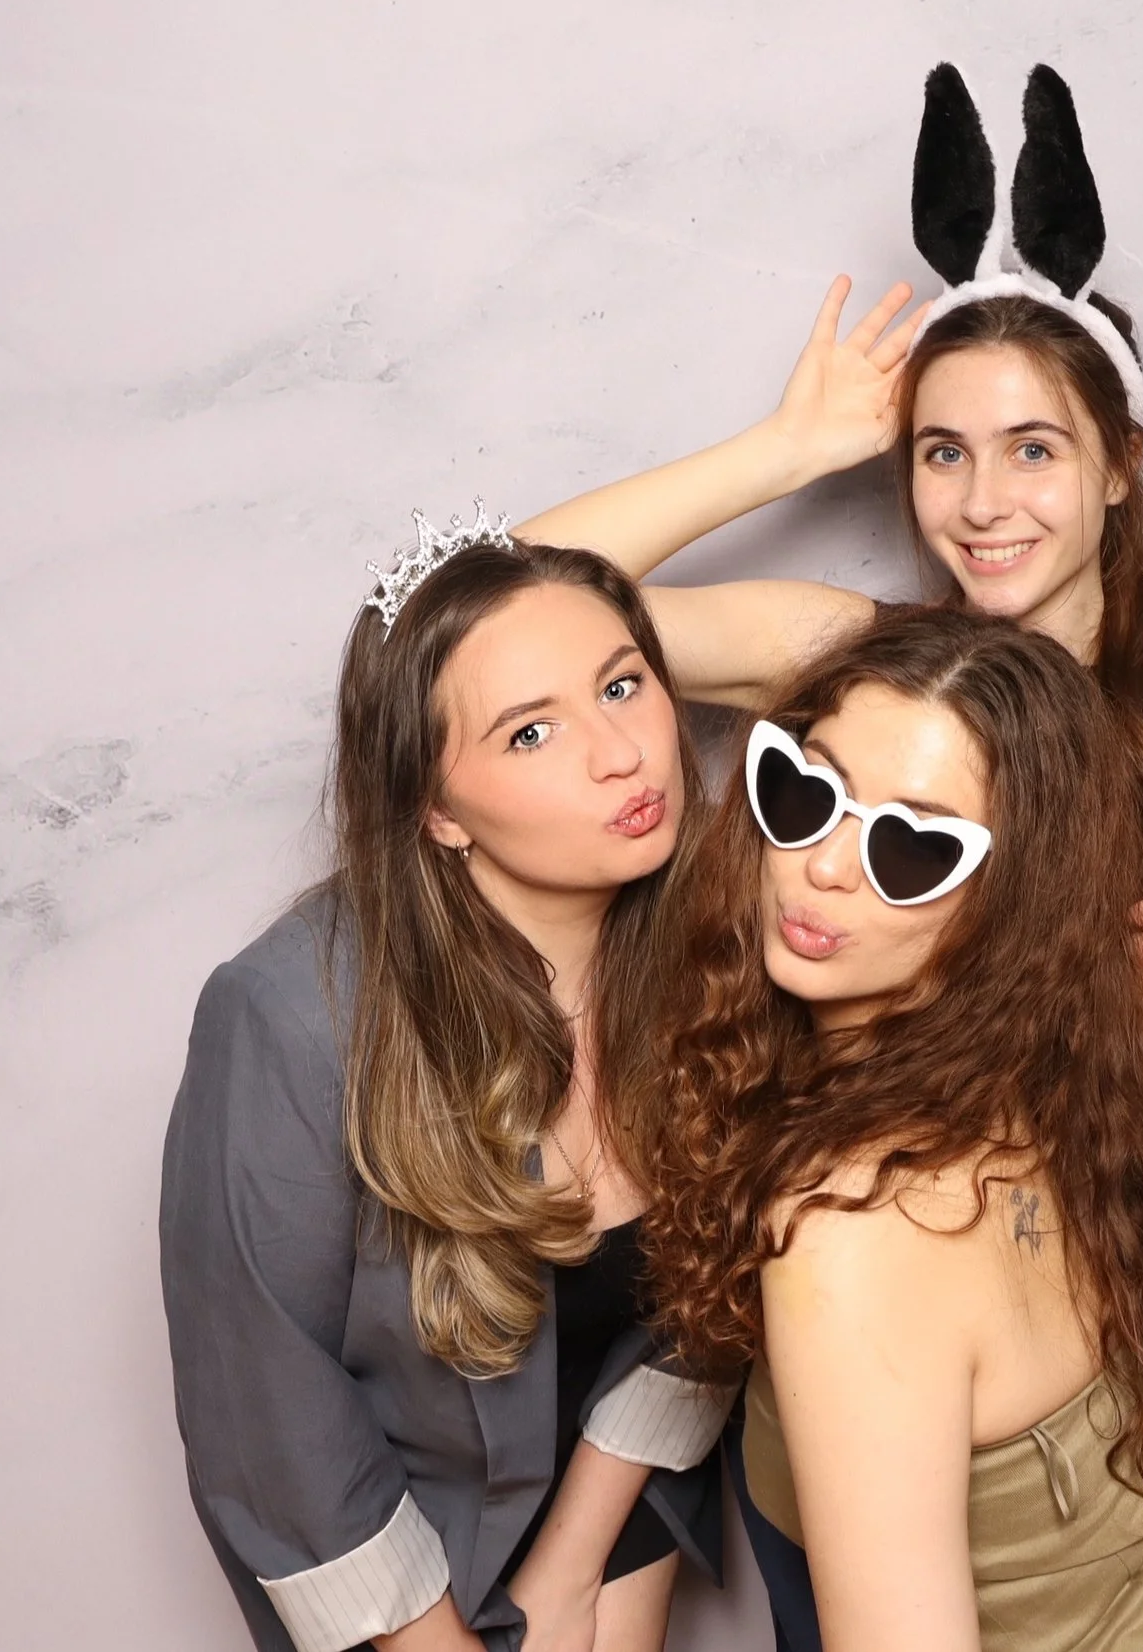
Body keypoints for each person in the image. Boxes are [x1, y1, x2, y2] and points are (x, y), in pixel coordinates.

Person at [635, 607, 1143, 1652]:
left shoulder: (849, 1229)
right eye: (805, 789)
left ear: (1008, 901)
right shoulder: (1052, 1088)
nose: (825, 864)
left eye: (912, 846)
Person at [515, 65, 1143, 1029]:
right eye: (943, 452)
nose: (984, 503)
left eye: (1032, 449)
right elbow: (493, 613)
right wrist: (778, 454)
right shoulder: (850, 661)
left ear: (1120, 464)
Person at [160, 521, 733, 1652]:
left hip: (626, 1499)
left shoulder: (727, 947)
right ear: (437, 809)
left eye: (624, 684)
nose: (620, 753)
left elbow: (708, 1299)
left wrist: (578, 1562)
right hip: (402, 1570)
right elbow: (268, 1417)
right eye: (530, 731)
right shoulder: (293, 1017)